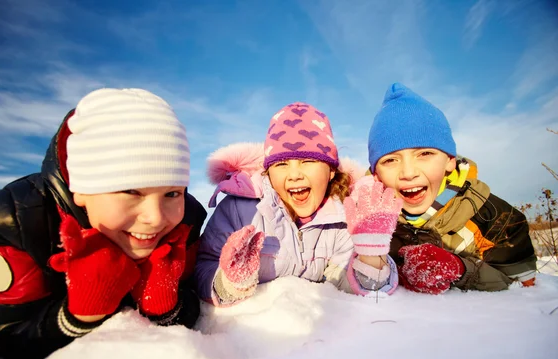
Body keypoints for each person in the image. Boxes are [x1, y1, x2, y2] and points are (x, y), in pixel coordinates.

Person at [0, 88, 207, 359]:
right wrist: (77, 316)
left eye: (172, 193)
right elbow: (12, 340)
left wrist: (166, 304)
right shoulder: (15, 220)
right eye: (131, 191)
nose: (156, 218)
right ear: (81, 189)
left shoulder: (187, 219)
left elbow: (194, 302)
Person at [194, 102, 403, 305]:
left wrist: (371, 256)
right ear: (268, 172)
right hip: (251, 331)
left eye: (308, 161)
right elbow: (202, 267)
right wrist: (229, 284)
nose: (294, 175)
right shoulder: (239, 210)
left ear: (331, 171)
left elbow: (349, 286)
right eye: (282, 164)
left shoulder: (344, 217)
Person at [367, 82, 537, 294]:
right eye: (390, 160)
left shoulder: (497, 219)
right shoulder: (368, 218)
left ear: (449, 161)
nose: (408, 173)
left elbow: (524, 287)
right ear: (376, 175)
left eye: (425, 154)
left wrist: (460, 269)